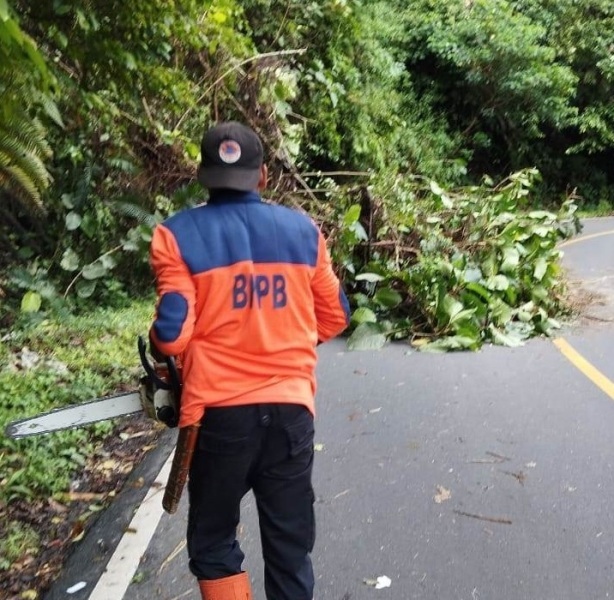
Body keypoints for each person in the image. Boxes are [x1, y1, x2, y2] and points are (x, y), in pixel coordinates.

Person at [148, 121, 350, 600]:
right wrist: (290, 341)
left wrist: (166, 345)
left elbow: (172, 338)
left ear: (204, 176)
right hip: (291, 413)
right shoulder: (303, 231)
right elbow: (336, 316)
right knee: (289, 544)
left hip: (219, 420)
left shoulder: (175, 236)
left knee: (215, 541)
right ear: (262, 178)